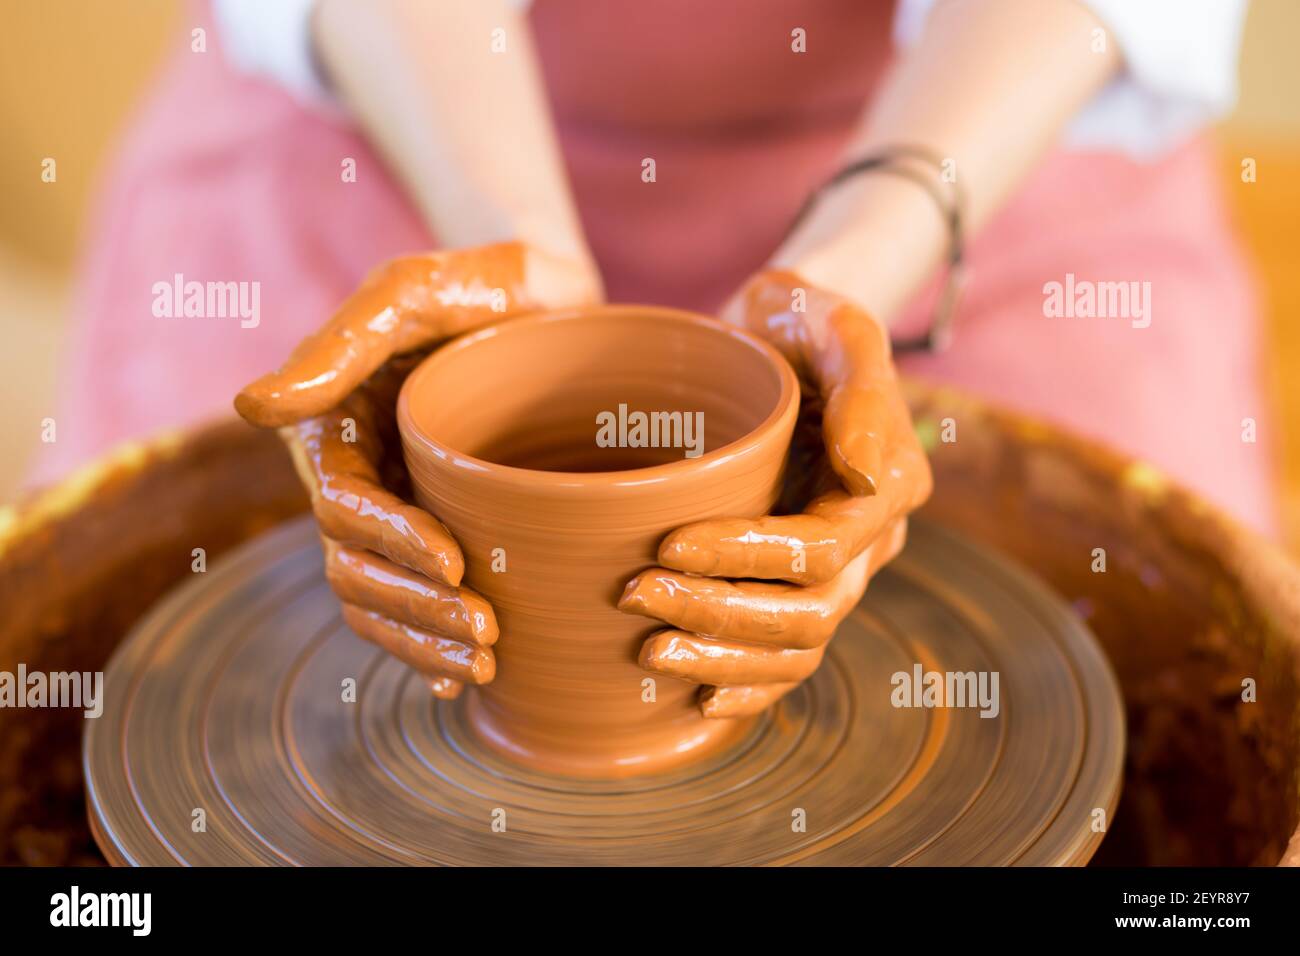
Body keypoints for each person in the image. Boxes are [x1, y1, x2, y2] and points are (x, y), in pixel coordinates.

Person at [40, 0, 1269, 709]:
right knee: (136, 648)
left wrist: (852, 263)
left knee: (1175, 668)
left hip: (969, 138)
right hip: (390, 104)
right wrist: (509, 229)